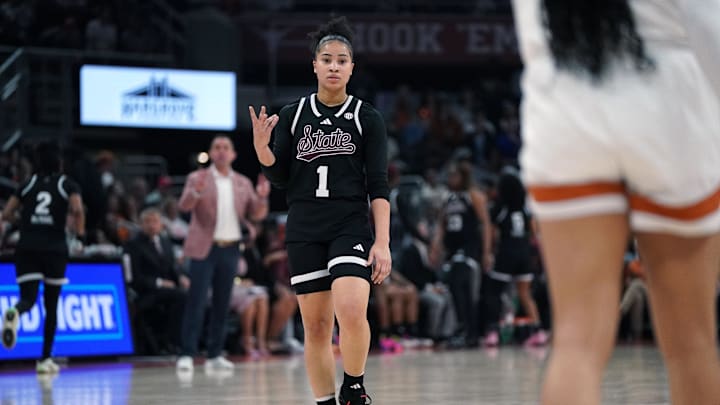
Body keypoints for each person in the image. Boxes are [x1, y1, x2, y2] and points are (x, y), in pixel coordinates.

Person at [513, 1, 720, 403]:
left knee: (576, 344)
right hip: (668, 95)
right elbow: (707, 22)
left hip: (564, 94)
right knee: (692, 346)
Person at [250, 16, 391, 405]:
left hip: (349, 225)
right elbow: (279, 177)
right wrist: (263, 149)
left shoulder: (367, 118)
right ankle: (325, 401)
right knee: (315, 327)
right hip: (304, 228)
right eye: (326, 59)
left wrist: (383, 242)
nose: (333, 66)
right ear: (314, 64)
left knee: (350, 308)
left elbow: (378, 186)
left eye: (341, 60)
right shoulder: (293, 115)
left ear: (351, 68)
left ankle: (355, 385)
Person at [176, 135, 270, 372]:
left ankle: (215, 354)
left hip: (230, 248)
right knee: (196, 302)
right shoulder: (198, 178)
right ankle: (187, 353)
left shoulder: (241, 182)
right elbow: (184, 207)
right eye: (216, 147)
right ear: (210, 152)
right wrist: (195, 193)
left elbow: (256, 214)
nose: (221, 151)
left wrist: (261, 197)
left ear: (233, 154)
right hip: (204, 248)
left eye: (225, 147)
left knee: (222, 302)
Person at [0, 142, 85, 373]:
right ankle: (45, 359)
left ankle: (15, 312)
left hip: (26, 246)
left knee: (27, 298)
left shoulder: (27, 185)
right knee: (51, 305)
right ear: (59, 162)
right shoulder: (66, 184)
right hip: (54, 249)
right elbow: (77, 210)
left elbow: (6, 214)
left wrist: (21, 221)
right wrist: (80, 234)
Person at [482, 167, 546, 347]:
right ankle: (538, 330)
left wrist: (488, 253)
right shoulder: (525, 211)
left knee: (495, 292)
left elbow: (493, 235)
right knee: (525, 294)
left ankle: (493, 332)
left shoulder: (500, 209)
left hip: (506, 253)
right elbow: (534, 234)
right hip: (525, 254)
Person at [430, 161, 492, 347]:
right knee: (454, 289)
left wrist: (487, 252)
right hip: (452, 251)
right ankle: (462, 329)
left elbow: (486, 224)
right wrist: (435, 246)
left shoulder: (473, 196)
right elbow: (441, 225)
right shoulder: (448, 198)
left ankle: (471, 331)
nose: (450, 179)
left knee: (465, 290)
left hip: (470, 250)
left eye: (454, 175)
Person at [125, 208, 188, 354]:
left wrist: (181, 278)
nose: (152, 225)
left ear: (161, 224)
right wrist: (159, 283)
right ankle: (173, 342)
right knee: (181, 297)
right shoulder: (132, 245)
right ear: (140, 224)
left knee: (193, 295)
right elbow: (134, 278)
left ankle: (192, 341)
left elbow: (172, 268)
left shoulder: (165, 242)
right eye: (147, 222)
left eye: (155, 221)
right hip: (146, 292)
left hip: (169, 290)